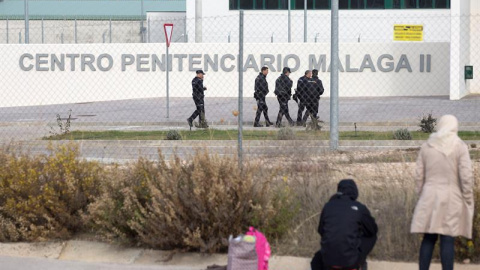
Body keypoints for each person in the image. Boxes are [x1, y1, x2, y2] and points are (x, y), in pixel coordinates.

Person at [411, 115, 474, 270]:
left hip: (429, 195)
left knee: (429, 237)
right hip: (451, 197)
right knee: (447, 238)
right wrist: (467, 197)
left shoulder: (427, 146)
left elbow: (419, 175)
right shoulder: (459, 146)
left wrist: (422, 194)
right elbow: (466, 176)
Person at [311, 179, 378, 270]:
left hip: (328, 261)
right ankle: (360, 263)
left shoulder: (327, 206)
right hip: (350, 262)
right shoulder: (359, 208)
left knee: (316, 259)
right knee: (372, 236)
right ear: (355, 191)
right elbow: (373, 230)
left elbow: (321, 230)